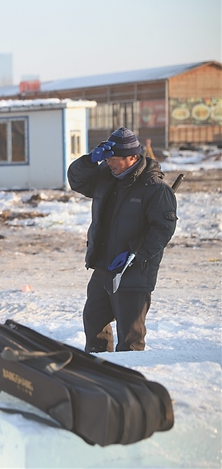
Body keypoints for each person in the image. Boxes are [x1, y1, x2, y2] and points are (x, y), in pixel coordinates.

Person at [67, 127, 177, 352]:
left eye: (114, 158)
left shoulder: (154, 189)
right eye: (107, 157)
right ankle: (99, 371)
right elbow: (76, 181)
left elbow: (163, 229)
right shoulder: (105, 179)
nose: (109, 163)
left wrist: (135, 254)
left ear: (133, 157)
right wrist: (89, 160)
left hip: (133, 270)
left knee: (130, 337)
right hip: (104, 266)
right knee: (93, 322)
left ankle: (130, 382)